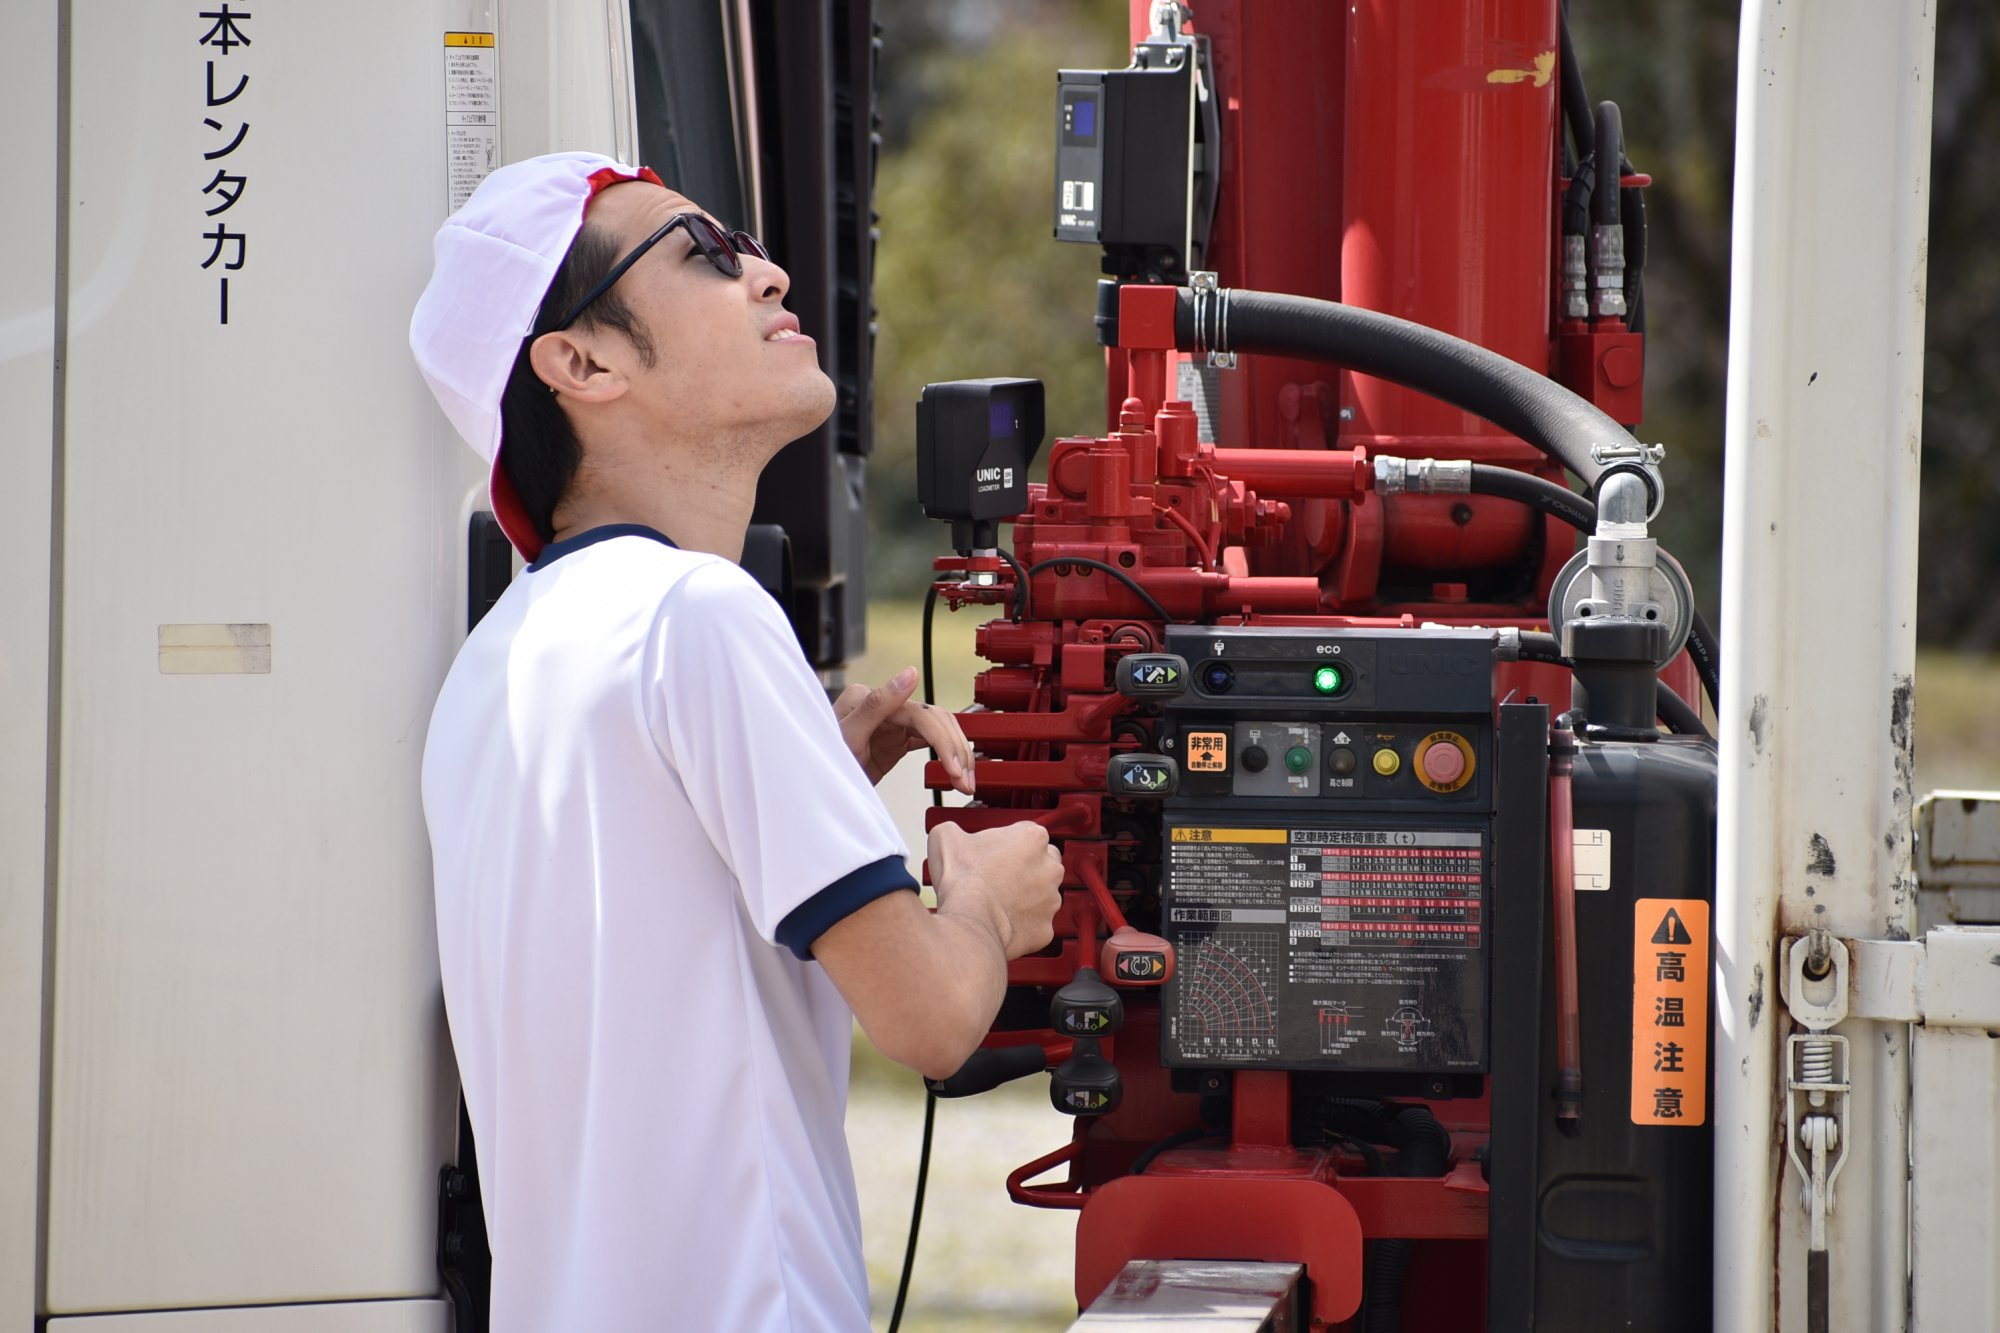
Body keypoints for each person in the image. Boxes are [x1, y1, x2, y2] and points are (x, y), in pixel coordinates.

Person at [409, 152, 1064, 1332]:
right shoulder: (696, 619)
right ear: (580, 360)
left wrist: (805, 766)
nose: (767, 273)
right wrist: (984, 898)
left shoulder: (498, 659)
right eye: (708, 255)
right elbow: (928, 1019)